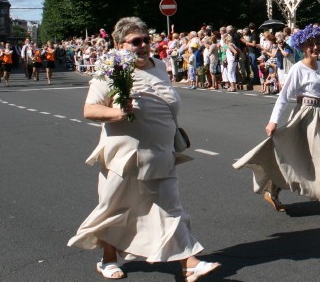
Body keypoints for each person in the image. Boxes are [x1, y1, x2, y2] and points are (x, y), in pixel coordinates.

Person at [68, 17, 220, 281]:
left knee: (170, 208)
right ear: (119, 44)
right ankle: (108, 260)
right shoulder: (112, 70)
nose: (143, 45)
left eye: (146, 39)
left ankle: (189, 263)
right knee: (114, 208)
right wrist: (117, 113)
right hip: (123, 156)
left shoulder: (159, 65)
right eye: (135, 41)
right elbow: (89, 109)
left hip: (161, 151)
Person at [233, 24, 320, 222]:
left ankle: (273, 190)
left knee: (301, 159)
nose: (315, 47)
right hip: (304, 117)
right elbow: (284, 97)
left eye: (318, 43)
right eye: (311, 44)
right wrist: (273, 122)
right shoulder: (298, 69)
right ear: (303, 47)